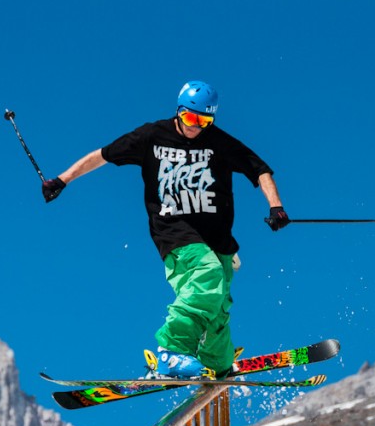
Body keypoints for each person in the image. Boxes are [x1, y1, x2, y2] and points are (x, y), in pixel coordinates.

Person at [41, 80, 290, 378]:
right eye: (190, 118)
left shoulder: (219, 142)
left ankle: (215, 360)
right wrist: (62, 180)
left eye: (203, 121)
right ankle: (171, 352)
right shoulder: (151, 136)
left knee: (218, 302)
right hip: (176, 233)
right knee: (207, 276)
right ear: (178, 112)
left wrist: (275, 206)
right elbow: (103, 155)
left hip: (218, 239)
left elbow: (259, 168)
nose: (195, 127)